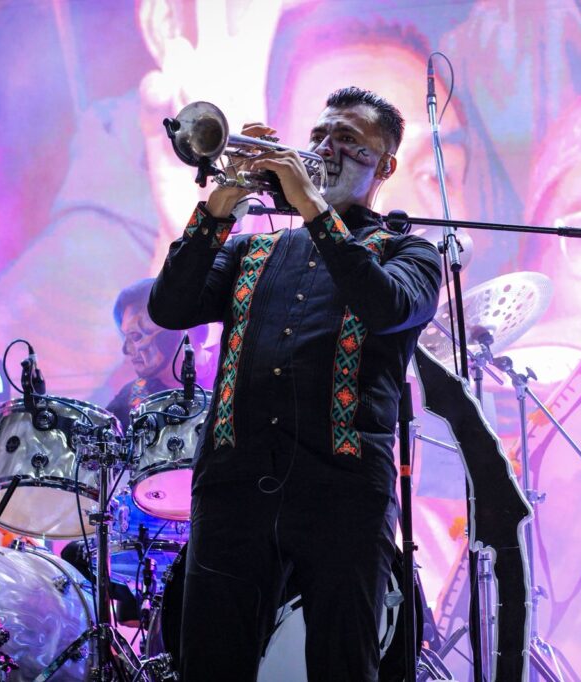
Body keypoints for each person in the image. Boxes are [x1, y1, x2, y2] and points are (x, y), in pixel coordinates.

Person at [148, 86, 442, 680]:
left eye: (348, 140)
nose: (326, 148)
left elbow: (385, 306)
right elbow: (169, 307)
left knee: (343, 665)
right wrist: (221, 206)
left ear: (385, 167)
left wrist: (312, 206)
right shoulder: (252, 249)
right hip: (233, 487)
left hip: (344, 493)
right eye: (319, 135)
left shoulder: (409, 253)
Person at [105, 277, 213, 429]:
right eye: (125, 336)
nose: (127, 350)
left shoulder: (225, 375)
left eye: (135, 335)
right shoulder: (129, 396)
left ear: (177, 329)